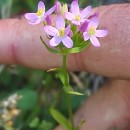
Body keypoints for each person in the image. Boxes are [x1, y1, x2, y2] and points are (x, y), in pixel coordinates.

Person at [0, 3, 130, 130]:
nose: (78, 18)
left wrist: (78, 29)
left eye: (64, 31)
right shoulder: (59, 31)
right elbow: (55, 29)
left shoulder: (79, 31)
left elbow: (79, 29)